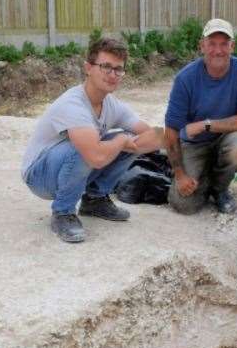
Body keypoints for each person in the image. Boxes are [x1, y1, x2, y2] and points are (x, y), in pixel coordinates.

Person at [22, 37, 150, 243]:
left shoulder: (111, 104)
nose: (112, 74)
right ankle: (63, 212)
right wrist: (120, 141)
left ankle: (94, 200)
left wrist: (174, 141)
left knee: (133, 140)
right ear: (88, 68)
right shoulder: (73, 104)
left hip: (72, 168)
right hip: (40, 175)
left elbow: (147, 134)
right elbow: (96, 157)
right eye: (106, 67)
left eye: (118, 69)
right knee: (88, 148)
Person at [136, 18, 237, 215]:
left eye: (224, 44)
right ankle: (209, 179)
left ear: (233, 46)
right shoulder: (185, 78)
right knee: (183, 205)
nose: (218, 50)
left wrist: (206, 124)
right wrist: (180, 175)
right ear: (201, 46)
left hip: (226, 139)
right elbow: (171, 130)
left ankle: (220, 189)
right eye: (212, 43)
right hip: (193, 144)